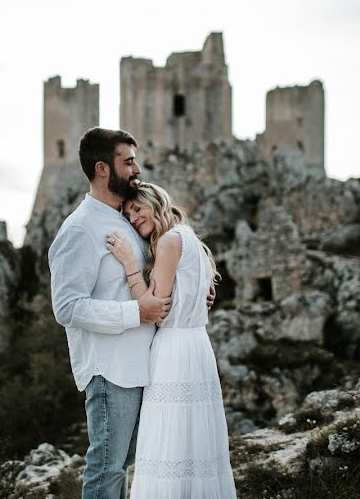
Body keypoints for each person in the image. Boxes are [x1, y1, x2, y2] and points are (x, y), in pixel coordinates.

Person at [48, 127, 171, 499]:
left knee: (123, 466)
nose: (137, 169)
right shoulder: (80, 229)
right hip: (110, 369)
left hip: (140, 365)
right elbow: (66, 307)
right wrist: (136, 313)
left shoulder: (125, 220)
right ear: (103, 169)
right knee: (106, 468)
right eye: (128, 161)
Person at [106, 182, 237, 498]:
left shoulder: (167, 242)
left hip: (174, 352)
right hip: (197, 347)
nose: (135, 218)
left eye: (138, 208)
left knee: (169, 443)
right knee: (194, 444)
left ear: (156, 201)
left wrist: (130, 265)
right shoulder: (189, 238)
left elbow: (155, 311)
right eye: (128, 214)